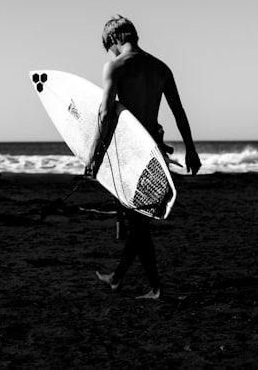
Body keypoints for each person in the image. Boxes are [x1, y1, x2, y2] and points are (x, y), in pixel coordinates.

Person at [84, 15, 201, 299]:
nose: (109, 52)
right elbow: (179, 111)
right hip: (154, 152)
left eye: (108, 46)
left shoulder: (115, 66)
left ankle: (153, 288)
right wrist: (191, 150)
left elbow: (105, 113)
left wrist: (93, 154)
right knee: (139, 222)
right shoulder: (161, 68)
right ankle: (119, 277)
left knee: (138, 223)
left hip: (129, 152)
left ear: (113, 40)